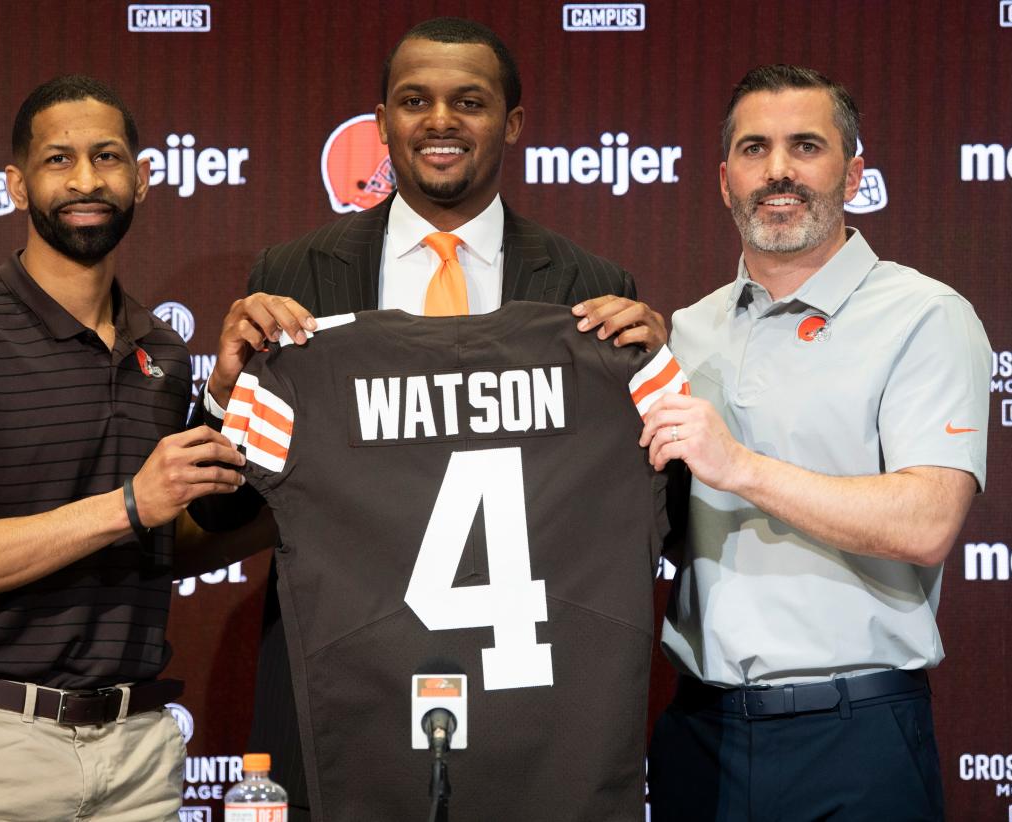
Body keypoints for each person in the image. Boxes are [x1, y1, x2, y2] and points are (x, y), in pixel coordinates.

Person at [189, 17, 669, 818]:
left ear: (511, 124)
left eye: (469, 101)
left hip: (531, 696)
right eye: (414, 100)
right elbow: (224, 507)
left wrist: (652, 375)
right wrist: (224, 389)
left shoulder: (588, 287)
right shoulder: (293, 274)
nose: (439, 121)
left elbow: (646, 511)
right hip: (352, 679)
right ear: (380, 120)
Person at [0, 75, 264, 822]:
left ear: (143, 179)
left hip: (140, 751)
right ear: (16, 184)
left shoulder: (162, 350)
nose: (87, 180)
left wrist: (295, 488)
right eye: (59, 160)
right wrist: (126, 506)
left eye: (108, 157)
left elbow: (160, 546)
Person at [641, 64, 992, 821]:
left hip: (854, 733)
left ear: (854, 172)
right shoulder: (687, 330)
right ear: (723, 180)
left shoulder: (925, 315)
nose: (777, 170)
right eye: (752, 149)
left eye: (805, 146)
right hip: (697, 732)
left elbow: (926, 522)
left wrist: (739, 467)